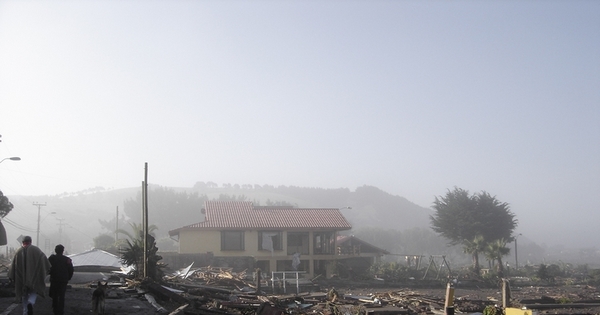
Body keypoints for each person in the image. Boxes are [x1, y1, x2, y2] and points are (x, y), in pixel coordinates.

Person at [9, 236, 51, 315]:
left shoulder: (18, 251)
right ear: (30, 241)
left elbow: (13, 266)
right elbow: (45, 262)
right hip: (34, 279)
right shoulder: (36, 250)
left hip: (21, 280)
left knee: (24, 295)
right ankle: (31, 303)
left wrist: (11, 277)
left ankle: (25, 312)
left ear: (23, 242)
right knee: (34, 291)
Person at [48, 244, 74, 315]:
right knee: (62, 295)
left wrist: (50, 273)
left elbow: (47, 267)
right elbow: (71, 270)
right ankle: (61, 310)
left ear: (55, 251)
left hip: (54, 279)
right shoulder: (67, 260)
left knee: (54, 295)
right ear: (63, 251)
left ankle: (55, 309)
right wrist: (68, 278)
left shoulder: (52, 258)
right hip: (63, 280)